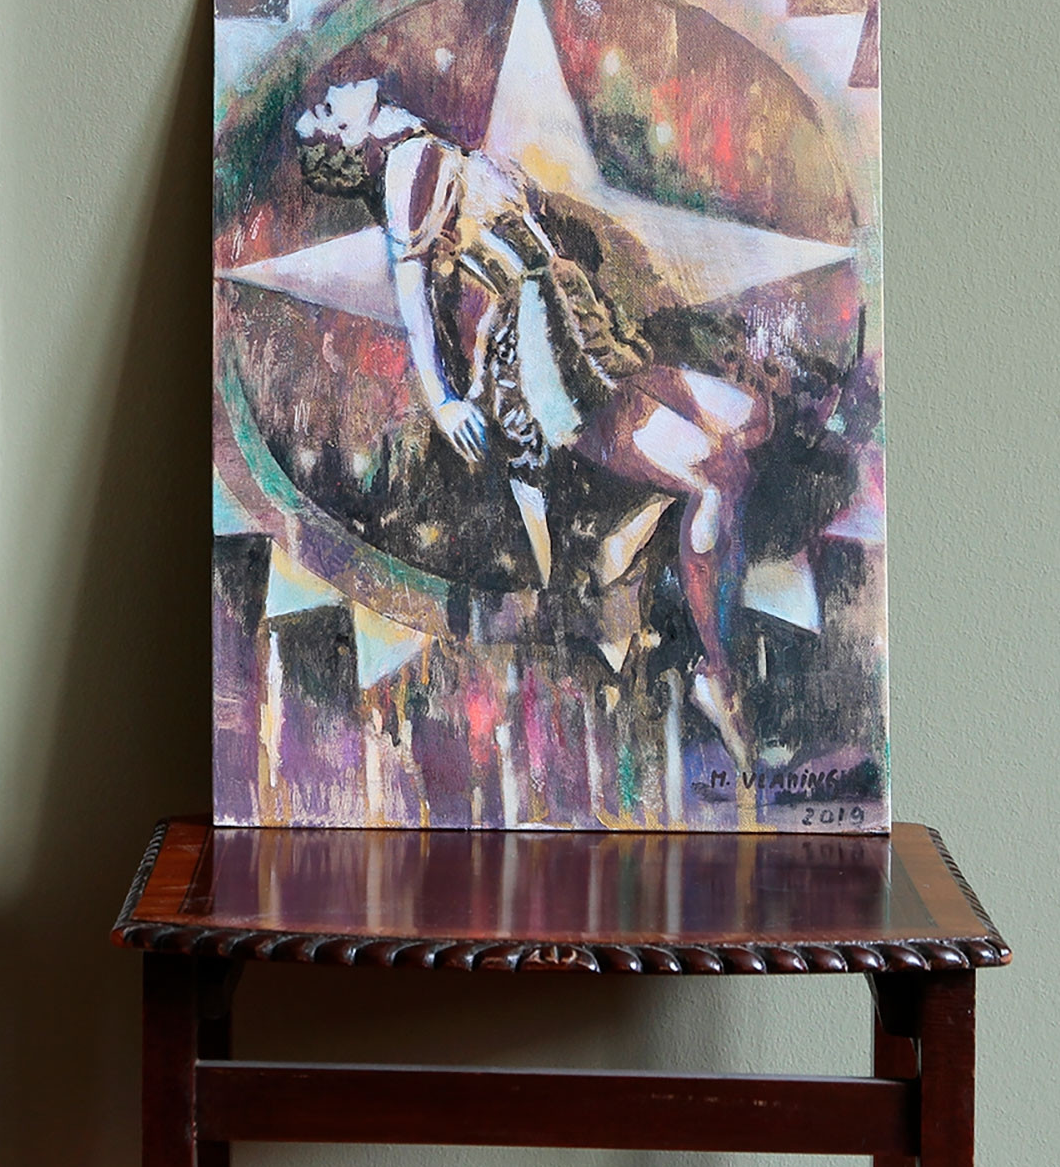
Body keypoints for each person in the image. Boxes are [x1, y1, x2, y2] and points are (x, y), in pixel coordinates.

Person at [295, 79, 765, 766]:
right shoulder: (407, 171)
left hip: (578, 315)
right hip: (550, 349)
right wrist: (444, 398)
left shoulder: (425, 147)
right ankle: (716, 678)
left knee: (752, 421)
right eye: (327, 109)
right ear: (349, 137)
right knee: (715, 479)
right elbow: (414, 295)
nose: (337, 88)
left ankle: (638, 525)